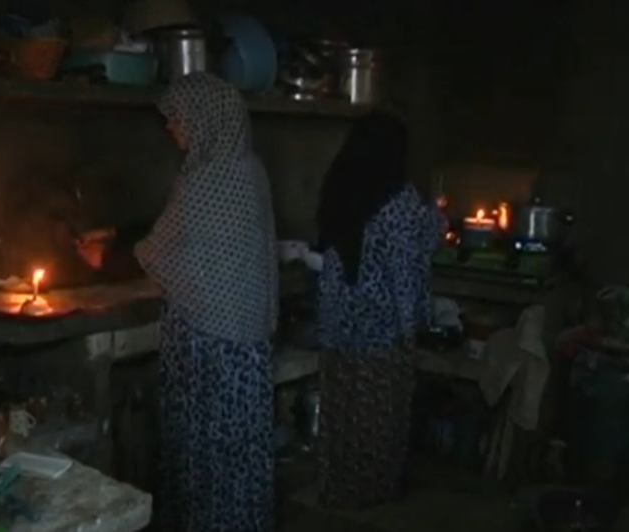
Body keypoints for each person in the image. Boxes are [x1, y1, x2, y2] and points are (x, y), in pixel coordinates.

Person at [77, 72, 278, 532]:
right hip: (246, 342)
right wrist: (117, 233)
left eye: (177, 119)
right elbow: (178, 224)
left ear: (204, 119)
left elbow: (162, 248)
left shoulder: (205, 179)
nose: (171, 129)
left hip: (211, 347)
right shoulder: (246, 168)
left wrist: (106, 256)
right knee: (239, 452)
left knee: (206, 450)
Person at [314, 112, 444, 509]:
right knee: (377, 418)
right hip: (381, 335)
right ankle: (370, 496)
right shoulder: (399, 200)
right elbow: (404, 272)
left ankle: (336, 488)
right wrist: (411, 332)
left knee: (342, 411)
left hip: (337, 329)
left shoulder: (340, 186)